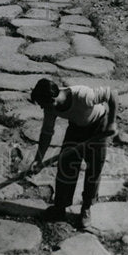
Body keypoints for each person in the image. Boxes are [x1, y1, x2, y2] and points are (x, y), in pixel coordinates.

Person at [23, 78, 118, 230]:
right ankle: (60, 208)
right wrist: (38, 160)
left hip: (98, 127)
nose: (42, 108)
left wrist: (112, 122)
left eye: (43, 104)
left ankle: (86, 208)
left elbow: (110, 94)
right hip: (76, 128)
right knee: (66, 166)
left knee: (94, 169)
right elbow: (47, 132)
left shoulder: (83, 96)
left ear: (53, 100)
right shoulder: (51, 107)